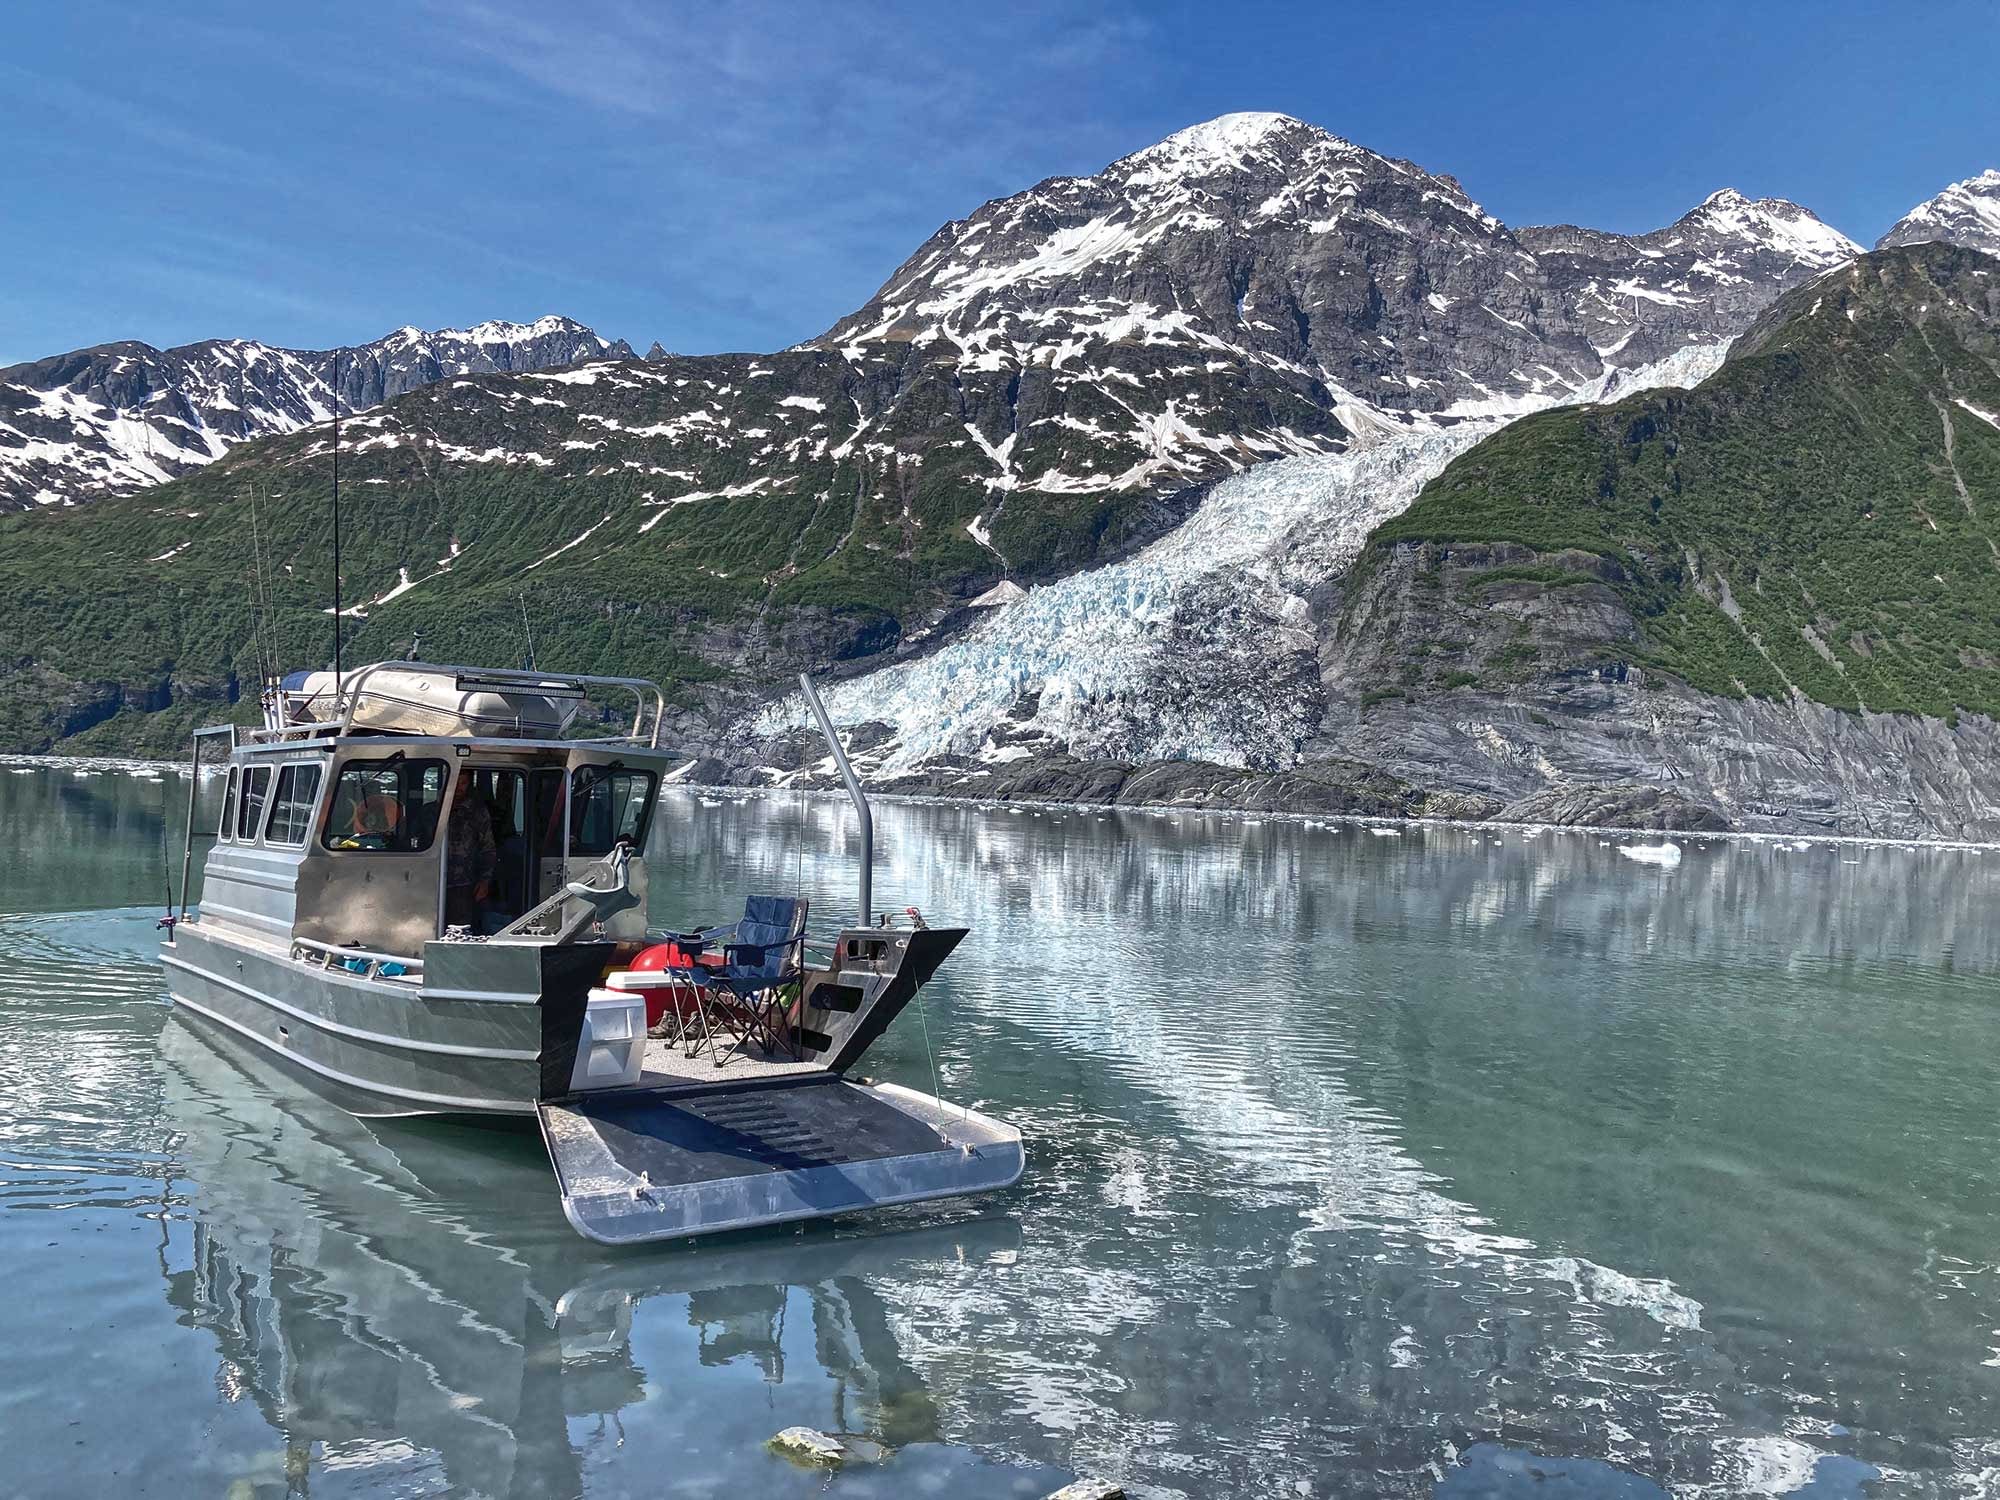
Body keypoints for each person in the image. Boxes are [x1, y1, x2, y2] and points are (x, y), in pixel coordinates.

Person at [444, 769, 497, 930]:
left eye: (463, 783)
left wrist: (485, 881)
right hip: (431, 881)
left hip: (464, 884)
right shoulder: (431, 811)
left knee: (461, 929)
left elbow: (488, 848)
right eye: (455, 782)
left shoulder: (477, 813)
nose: (459, 787)